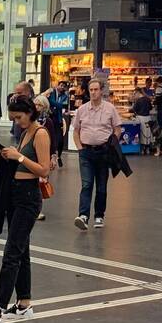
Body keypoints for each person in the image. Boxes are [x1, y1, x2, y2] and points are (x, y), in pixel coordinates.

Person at [0, 96, 52, 323]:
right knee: (21, 251)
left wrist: (19, 157)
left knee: (12, 252)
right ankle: (24, 302)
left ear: (30, 113)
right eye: (13, 118)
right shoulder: (25, 133)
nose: (17, 122)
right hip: (15, 194)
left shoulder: (40, 134)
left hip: (28, 198)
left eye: (19, 117)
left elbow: (44, 169)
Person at [68, 78, 121, 230]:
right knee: (87, 184)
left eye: (96, 89)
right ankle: (83, 215)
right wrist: (79, 148)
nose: (93, 92)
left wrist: (112, 143)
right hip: (86, 152)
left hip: (103, 152)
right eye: (91, 90)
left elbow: (117, 128)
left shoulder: (110, 109)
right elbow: (76, 130)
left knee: (102, 186)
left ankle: (99, 215)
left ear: (101, 91)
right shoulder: (82, 110)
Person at [45, 82, 69, 168]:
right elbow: (50, 102)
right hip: (51, 118)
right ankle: (51, 157)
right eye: (61, 85)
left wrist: (57, 105)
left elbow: (64, 105)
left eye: (64, 86)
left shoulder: (65, 96)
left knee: (60, 140)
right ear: (58, 85)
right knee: (51, 138)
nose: (62, 87)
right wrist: (58, 105)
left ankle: (59, 156)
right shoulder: (52, 92)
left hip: (58, 119)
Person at [130, 84, 155, 153]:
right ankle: (148, 148)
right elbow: (150, 108)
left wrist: (129, 110)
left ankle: (142, 148)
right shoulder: (147, 99)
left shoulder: (138, 101)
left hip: (140, 119)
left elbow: (133, 110)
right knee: (148, 134)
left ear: (138, 93)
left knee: (142, 134)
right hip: (148, 118)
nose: (134, 95)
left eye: (135, 94)